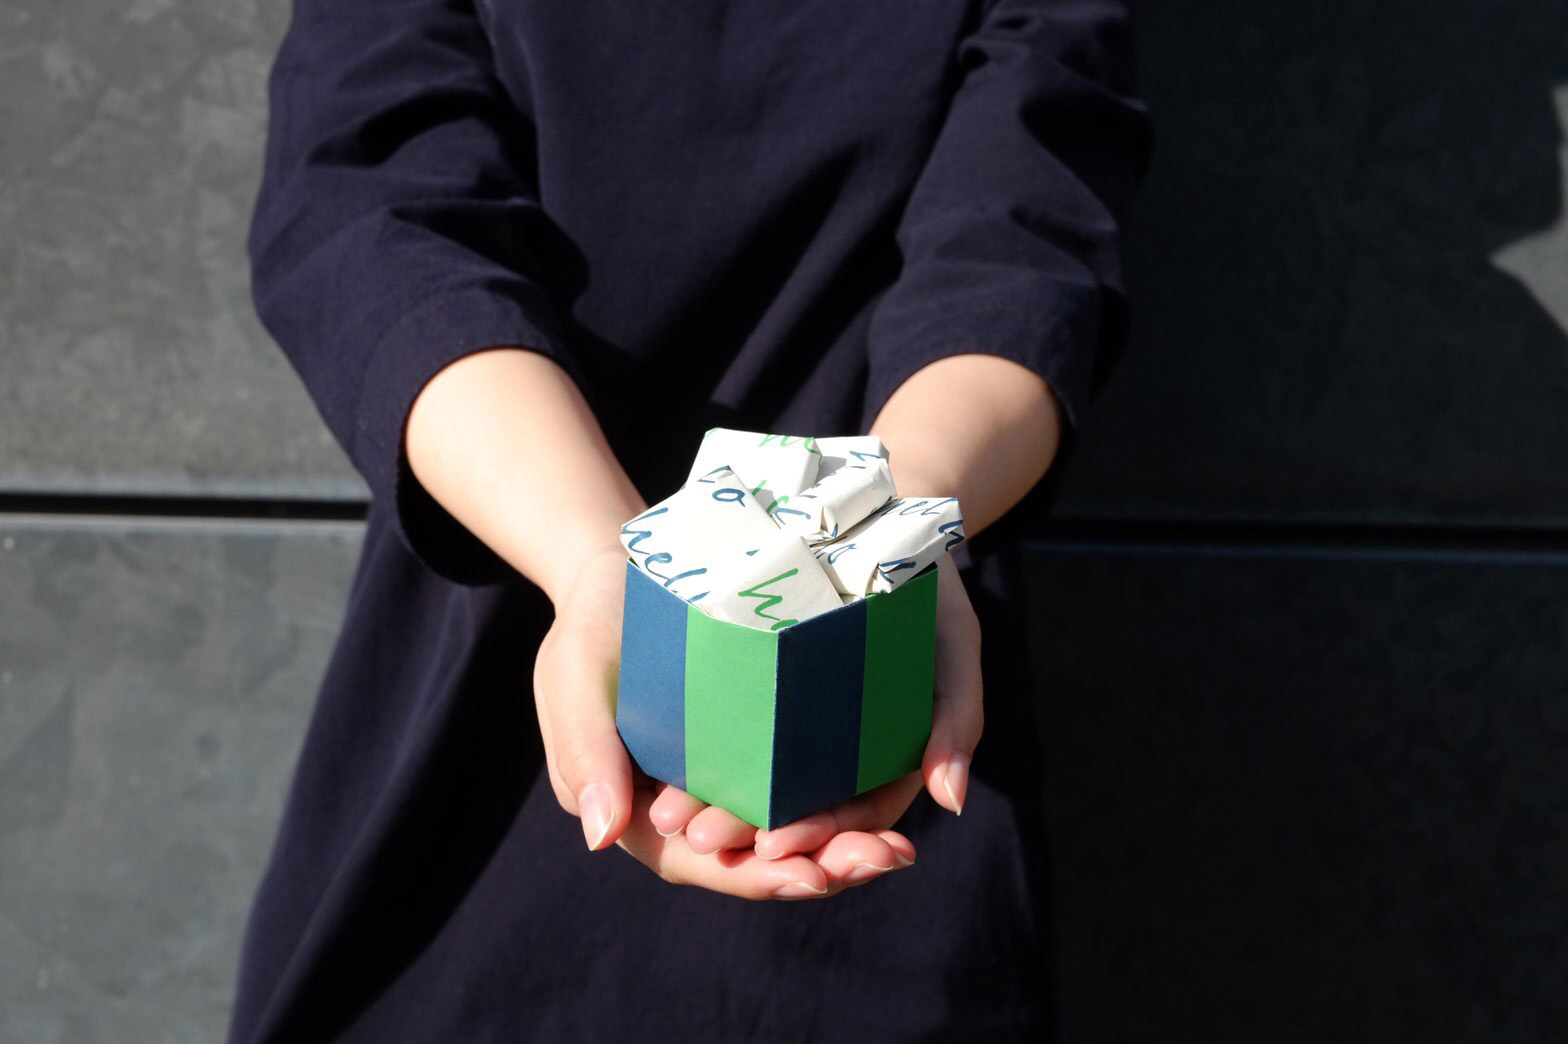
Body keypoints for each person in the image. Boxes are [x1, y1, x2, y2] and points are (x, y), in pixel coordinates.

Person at [228, 1, 1150, 1039]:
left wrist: (897, 524)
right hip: (477, 759)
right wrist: (593, 560)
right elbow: (372, 205)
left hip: (875, 733)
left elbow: (1023, 230)